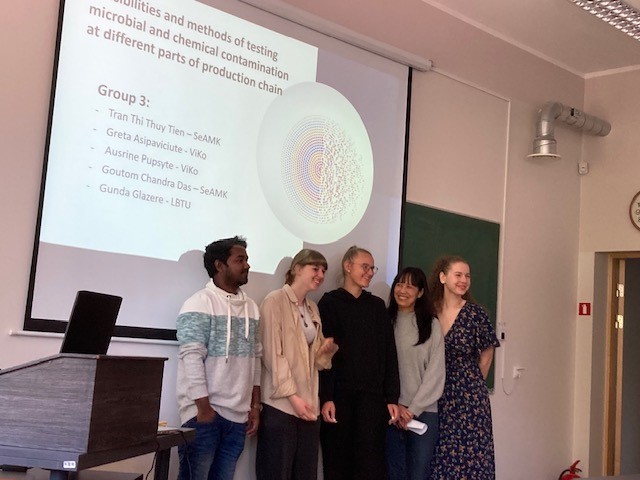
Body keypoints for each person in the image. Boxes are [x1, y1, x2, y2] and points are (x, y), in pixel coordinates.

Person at [176, 236, 262, 480]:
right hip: (204, 415)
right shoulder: (198, 303)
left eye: (247, 259)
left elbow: (255, 359)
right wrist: (203, 408)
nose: (247, 265)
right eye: (240, 260)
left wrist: (255, 406)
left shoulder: (252, 308)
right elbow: (191, 357)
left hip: (238, 418)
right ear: (219, 265)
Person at [256, 249, 339, 480]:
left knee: (305, 472)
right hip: (282, 405)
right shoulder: (274, 301)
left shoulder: (312, 307)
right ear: (297, 269)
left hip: (308, 406)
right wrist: (294, 398)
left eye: (324, 270)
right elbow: (273, 355)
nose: (321, 274)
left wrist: (324, 351)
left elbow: (317, 363)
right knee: (276, 471)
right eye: (315, 268)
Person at [319, 245, 400, 480]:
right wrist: (327, 397)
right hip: (340, 398)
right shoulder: (329, 303)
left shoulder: (376, 306)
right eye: (365, 267)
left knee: (371, 465)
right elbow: (325, 356)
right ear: (347, 266)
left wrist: (392, 397)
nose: (370, 272)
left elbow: (389, 354)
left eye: (372, 268)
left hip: (372, 400)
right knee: (337, 463)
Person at [427, 255, 500, 480]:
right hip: (434, 392)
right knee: (440, 455)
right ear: (442, 277)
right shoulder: (429, 311)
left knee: (470, 457)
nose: (463, 280)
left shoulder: (475, 314)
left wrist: (473, 384)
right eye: (458, 275)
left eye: (467, 276)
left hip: (468, 397)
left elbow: (487, 353)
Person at [386, 267, 445, 480]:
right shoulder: (384, 321)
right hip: (391, 412)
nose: (403, 290)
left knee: (418, 475)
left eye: (410, 286)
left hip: (424, 414)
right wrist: (395, 405)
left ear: (420, 293)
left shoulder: (431, 325)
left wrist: (412, 410)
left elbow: (436, 374)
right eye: (399, 284)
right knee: (393, 474)